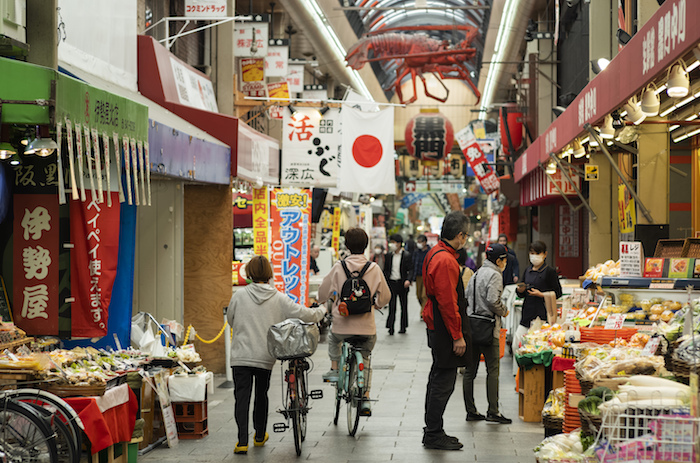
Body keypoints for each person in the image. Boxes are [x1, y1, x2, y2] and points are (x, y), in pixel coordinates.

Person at [226, 255, 326, 455]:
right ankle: (260, 435)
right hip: (265, 356)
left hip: (241, 355)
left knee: (242, 397)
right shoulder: (277, 297)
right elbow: (304, 313)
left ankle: (242, 442)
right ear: (269, 274)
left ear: (249, 273)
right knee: (261, 394)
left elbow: (231, 319)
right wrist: (323, 309)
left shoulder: (239, 296)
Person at [317, 228, 391, 415]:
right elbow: (386, 297)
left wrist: (321, 300)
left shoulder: (338, 267)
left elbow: (323, 293)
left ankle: (335, 370)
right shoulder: (373, 268)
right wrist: (377, 304)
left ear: (347, 246)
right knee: (365, 358)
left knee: (334, 339)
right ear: (366, 246)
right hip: (367, 328)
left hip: (342, 325)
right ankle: (365, 397)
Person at [422, 211, 470, 450]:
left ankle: (433, 430)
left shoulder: (437, 253)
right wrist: (457, 335)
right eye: (466, 236)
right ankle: (433, 433)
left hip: (436, 323)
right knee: (443, 381)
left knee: (438, 378)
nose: (466, 240)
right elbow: (448, 302)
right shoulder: (446, 260)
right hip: (443, 326)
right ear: (459, 235)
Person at [462, 243, 512, 424]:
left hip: (472, 325)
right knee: (493, 370)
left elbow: (467, 296)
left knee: (470, 371)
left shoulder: (476, 274)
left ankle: (471, 410)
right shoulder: (495, 274)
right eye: (504, 260)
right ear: (499, 260)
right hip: (488, 327)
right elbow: (493, 300)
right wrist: (503, 310)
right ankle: (493, 411)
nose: (505, 263)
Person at [513, 241, 563, 357]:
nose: (534, 256)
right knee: (517, 344)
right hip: (527, 314)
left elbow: (558, 292)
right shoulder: (527, 270)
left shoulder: (549, 271)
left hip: (542, 316)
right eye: (532, 253)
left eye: (537, 253)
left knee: (538, 347)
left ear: (545, 254)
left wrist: (542, 294)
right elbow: (521, 293)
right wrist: (520, 290)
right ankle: (519, 373)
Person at [383, 233, 413, 335]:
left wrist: (408, 280)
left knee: (403, 306)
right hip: (391, 283)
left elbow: (410, 270)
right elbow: (386, 270)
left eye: (394, 242)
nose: (392, 245)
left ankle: (403, 327)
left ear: (399, 244)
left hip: (402, 283)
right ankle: (390, 327)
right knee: (392, 306)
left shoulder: (406, 255)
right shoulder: (388, 256)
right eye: (391, 242)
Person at [412, 235, 431, 312]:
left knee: (424, 295)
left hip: (426, 276)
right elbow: (413, 263)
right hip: (418, 275)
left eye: (420, 242)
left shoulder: (430, 251)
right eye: (418, 242)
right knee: (419, 295)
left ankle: (423, 312)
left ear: (425, 242)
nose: (418, 244)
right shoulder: (416, 252)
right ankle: (424, 308)